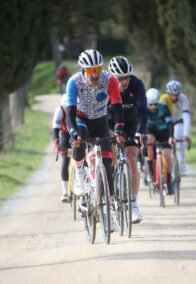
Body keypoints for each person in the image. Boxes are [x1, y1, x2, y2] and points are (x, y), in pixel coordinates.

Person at [65, 49, 124, 232]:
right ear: (83, 70)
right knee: (79, 138)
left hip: (100, 121)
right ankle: (80, 174)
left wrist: (119, 128)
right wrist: (73, 133)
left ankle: (109, 215)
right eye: (91, 71)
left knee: (107, 165)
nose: (95, 75)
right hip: (81, 119)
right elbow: (70, 114)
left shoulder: (110, 80)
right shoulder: (74, 82)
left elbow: (117, 107)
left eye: (97, 69)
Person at [107, 56, 148, 223]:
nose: (124, 82)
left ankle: (134, 204)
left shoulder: (137, 85)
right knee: (111, 154)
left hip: (131, 124)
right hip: (110, 123)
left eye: (127, 77)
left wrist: (140, 132)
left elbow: (142, 110)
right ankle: (110, 188)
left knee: (132, 158)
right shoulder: (105, 85)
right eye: (119, 78)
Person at [145, 88, 175, 195]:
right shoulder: (144, 108)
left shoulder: (164, 107)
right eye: (151, 104)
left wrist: (171, 136)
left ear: (159, 102)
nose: (153, 107)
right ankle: (151, 174)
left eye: (155, 104)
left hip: (163, 132)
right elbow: (140, 122)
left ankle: (169, 181)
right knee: (149, 141)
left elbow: (170, 123)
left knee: (167, 155)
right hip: (151, 130)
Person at [159, 80, 191, 176]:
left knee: (180, 138)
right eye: (172, 95)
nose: (174, 97)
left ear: (179, 93)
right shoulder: (163, 98)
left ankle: (181, 166)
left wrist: (186, 134)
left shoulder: (183, 98)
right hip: (166, 122)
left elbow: (186, 116)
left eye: (176, 95)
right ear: (167, 93)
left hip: (177, 121)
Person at [53, 94, 72, 202]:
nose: (67, 110)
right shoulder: (59, 111)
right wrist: (56, 143)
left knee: (84, 161)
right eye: (65, 108)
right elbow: (55, 130)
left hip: (78, 135)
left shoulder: (77, 108)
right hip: (65, 136)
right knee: (65, 162)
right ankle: (65, 192)